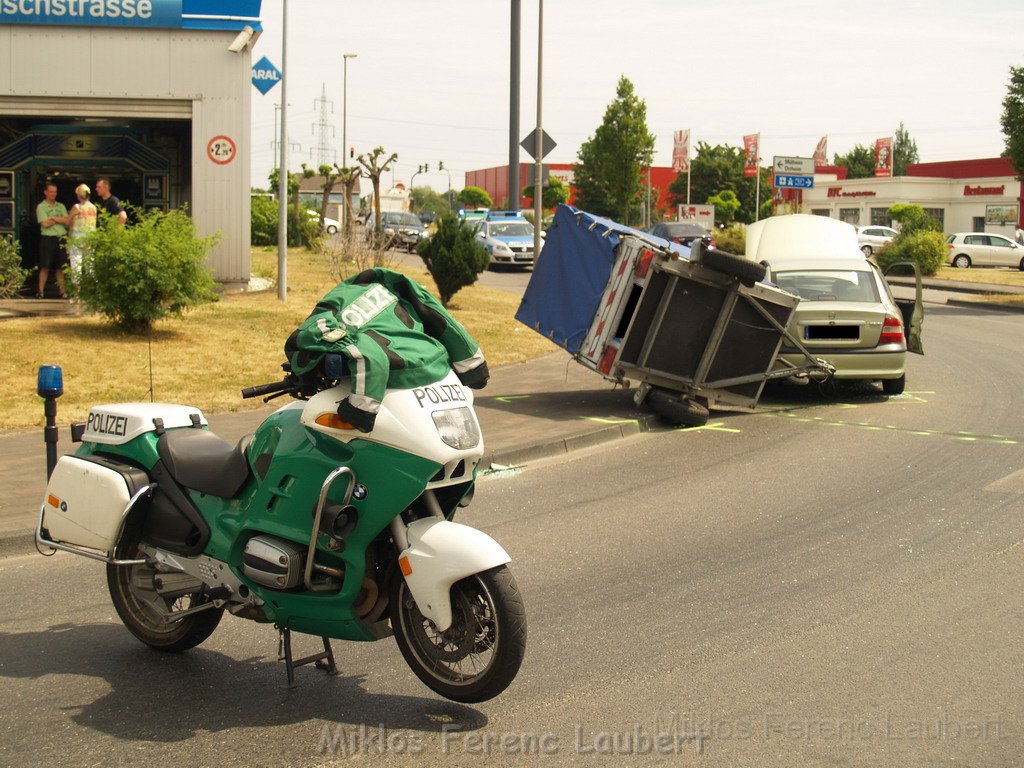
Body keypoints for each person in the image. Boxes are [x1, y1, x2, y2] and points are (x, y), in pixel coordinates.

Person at [35, 182, 69, 299]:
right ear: (45, 192)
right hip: (47, 238)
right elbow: (44, 224)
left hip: (61, 237)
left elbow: (67, 220)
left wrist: (53, 218)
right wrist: (58, 219)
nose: (53, 194)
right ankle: (40, 291)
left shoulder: (61, 206)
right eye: (51, 192)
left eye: (55, 192)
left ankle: (62, 291)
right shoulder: (41, 207)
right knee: (45, 266)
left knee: (60, 267)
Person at [67, 183, 97, 279]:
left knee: (76, 265)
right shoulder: (94, 207)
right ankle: (91, 290)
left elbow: (68, 221)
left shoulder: (77, 207)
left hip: (77, 238)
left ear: (78, 195)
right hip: (90, 239)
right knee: (90, 265)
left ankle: (77, 293)